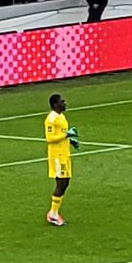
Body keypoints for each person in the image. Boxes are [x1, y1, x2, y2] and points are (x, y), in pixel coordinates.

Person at [44, 92, 79, 227]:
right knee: (61, 182)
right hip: (57, 156)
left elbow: (61, 135)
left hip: (64, 154)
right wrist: (66, 135)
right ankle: (53, 215)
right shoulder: (51, 119)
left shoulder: (62, 117)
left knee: (65, 182)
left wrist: (70, 140)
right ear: (55, 105)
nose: (64, 104)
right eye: (62, 102)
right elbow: (50, 138)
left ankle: (54, 212)